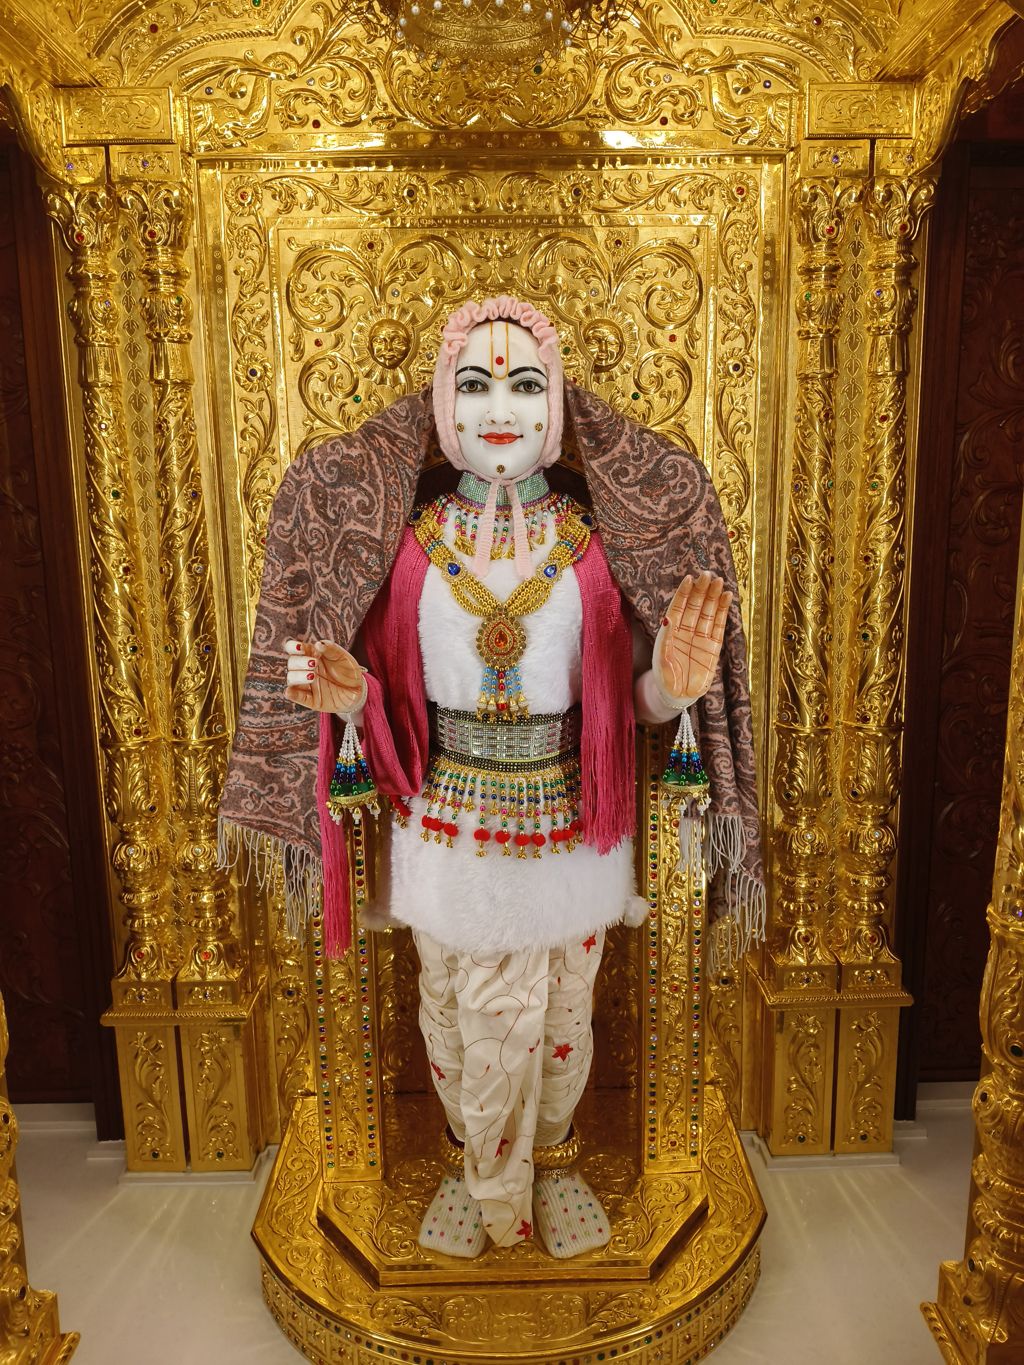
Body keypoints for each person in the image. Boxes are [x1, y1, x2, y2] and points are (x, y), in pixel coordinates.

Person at [220, 294, 763, 1260]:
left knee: (564, 1014)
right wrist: (350, 699)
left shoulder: (593, 550)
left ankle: (549, 1159)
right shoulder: (408, 552)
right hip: (447, 822)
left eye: (524, 386)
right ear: (443, 407)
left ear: (557, 408)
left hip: (570, 824)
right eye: (474, 386)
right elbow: (388, 703)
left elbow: (624, 704)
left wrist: (673, 687)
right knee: (448, 1012)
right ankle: (474, 1165)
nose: (499, 407)